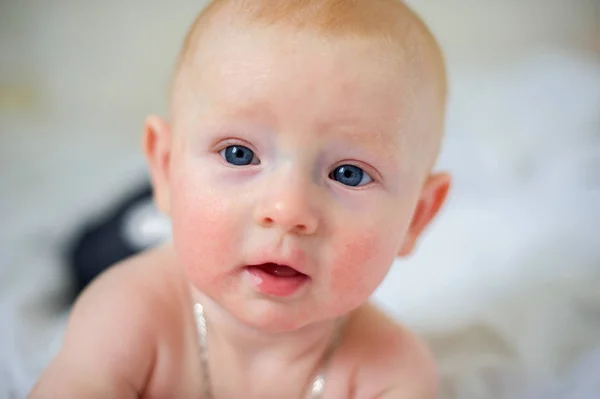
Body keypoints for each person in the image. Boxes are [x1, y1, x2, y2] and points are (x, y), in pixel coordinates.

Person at [30, 0, 450, 397]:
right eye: (239, 153)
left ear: (416, 217)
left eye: (349, 174)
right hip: (123, 249)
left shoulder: (391, 375)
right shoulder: (124, 316)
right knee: (90, 253)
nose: (287, 211)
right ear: (165, 167)